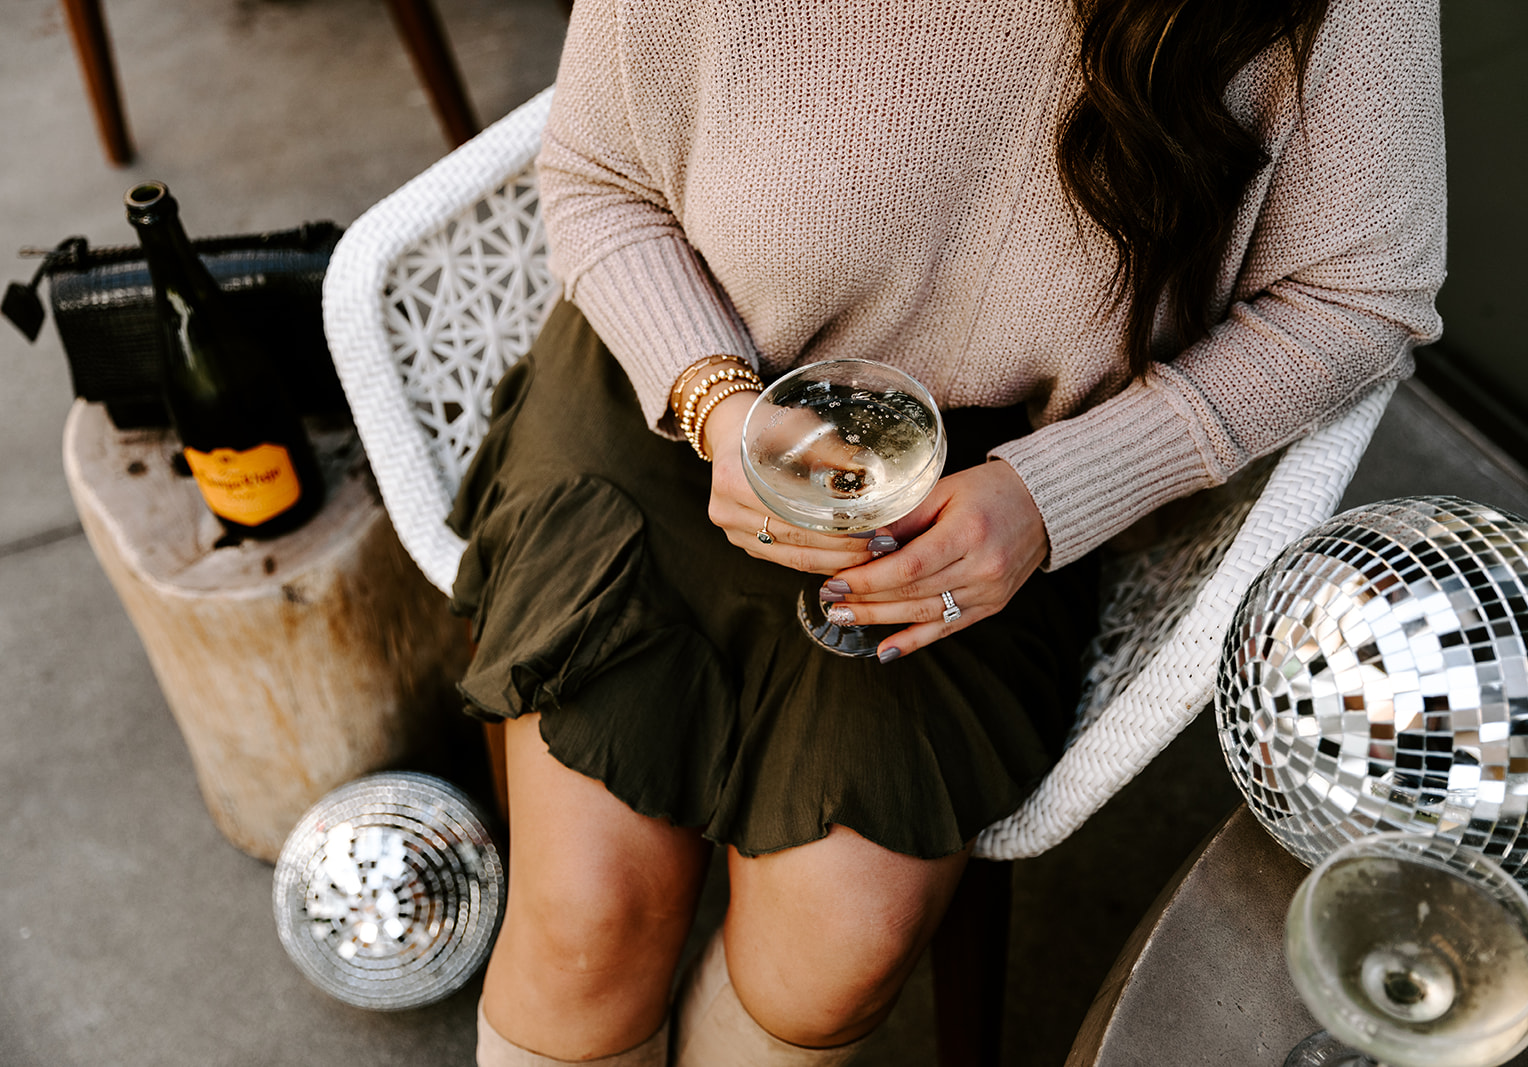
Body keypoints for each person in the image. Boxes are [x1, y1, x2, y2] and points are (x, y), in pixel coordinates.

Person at [455, 0, 1445, 1063]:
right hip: (681, 369)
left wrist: (1056, 490)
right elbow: (598, 172)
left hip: (995, 476)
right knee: (583, 931)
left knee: (837, 950)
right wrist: (717, 406)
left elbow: (1363, 291)